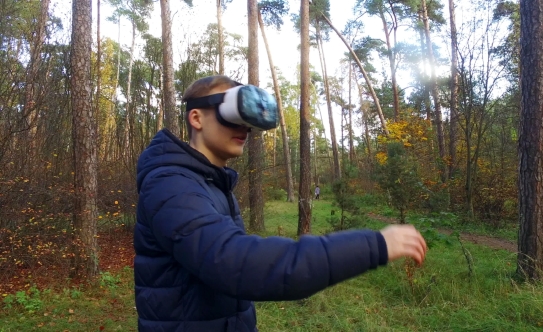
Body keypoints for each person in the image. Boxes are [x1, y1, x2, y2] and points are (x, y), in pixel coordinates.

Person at [134, 75, 427, 332]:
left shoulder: (211, 182)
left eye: (248, 121)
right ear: (196, 118)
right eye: (232, 114)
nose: (245, 129)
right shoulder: (172, 184)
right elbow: (237, 265)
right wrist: (373, 245)